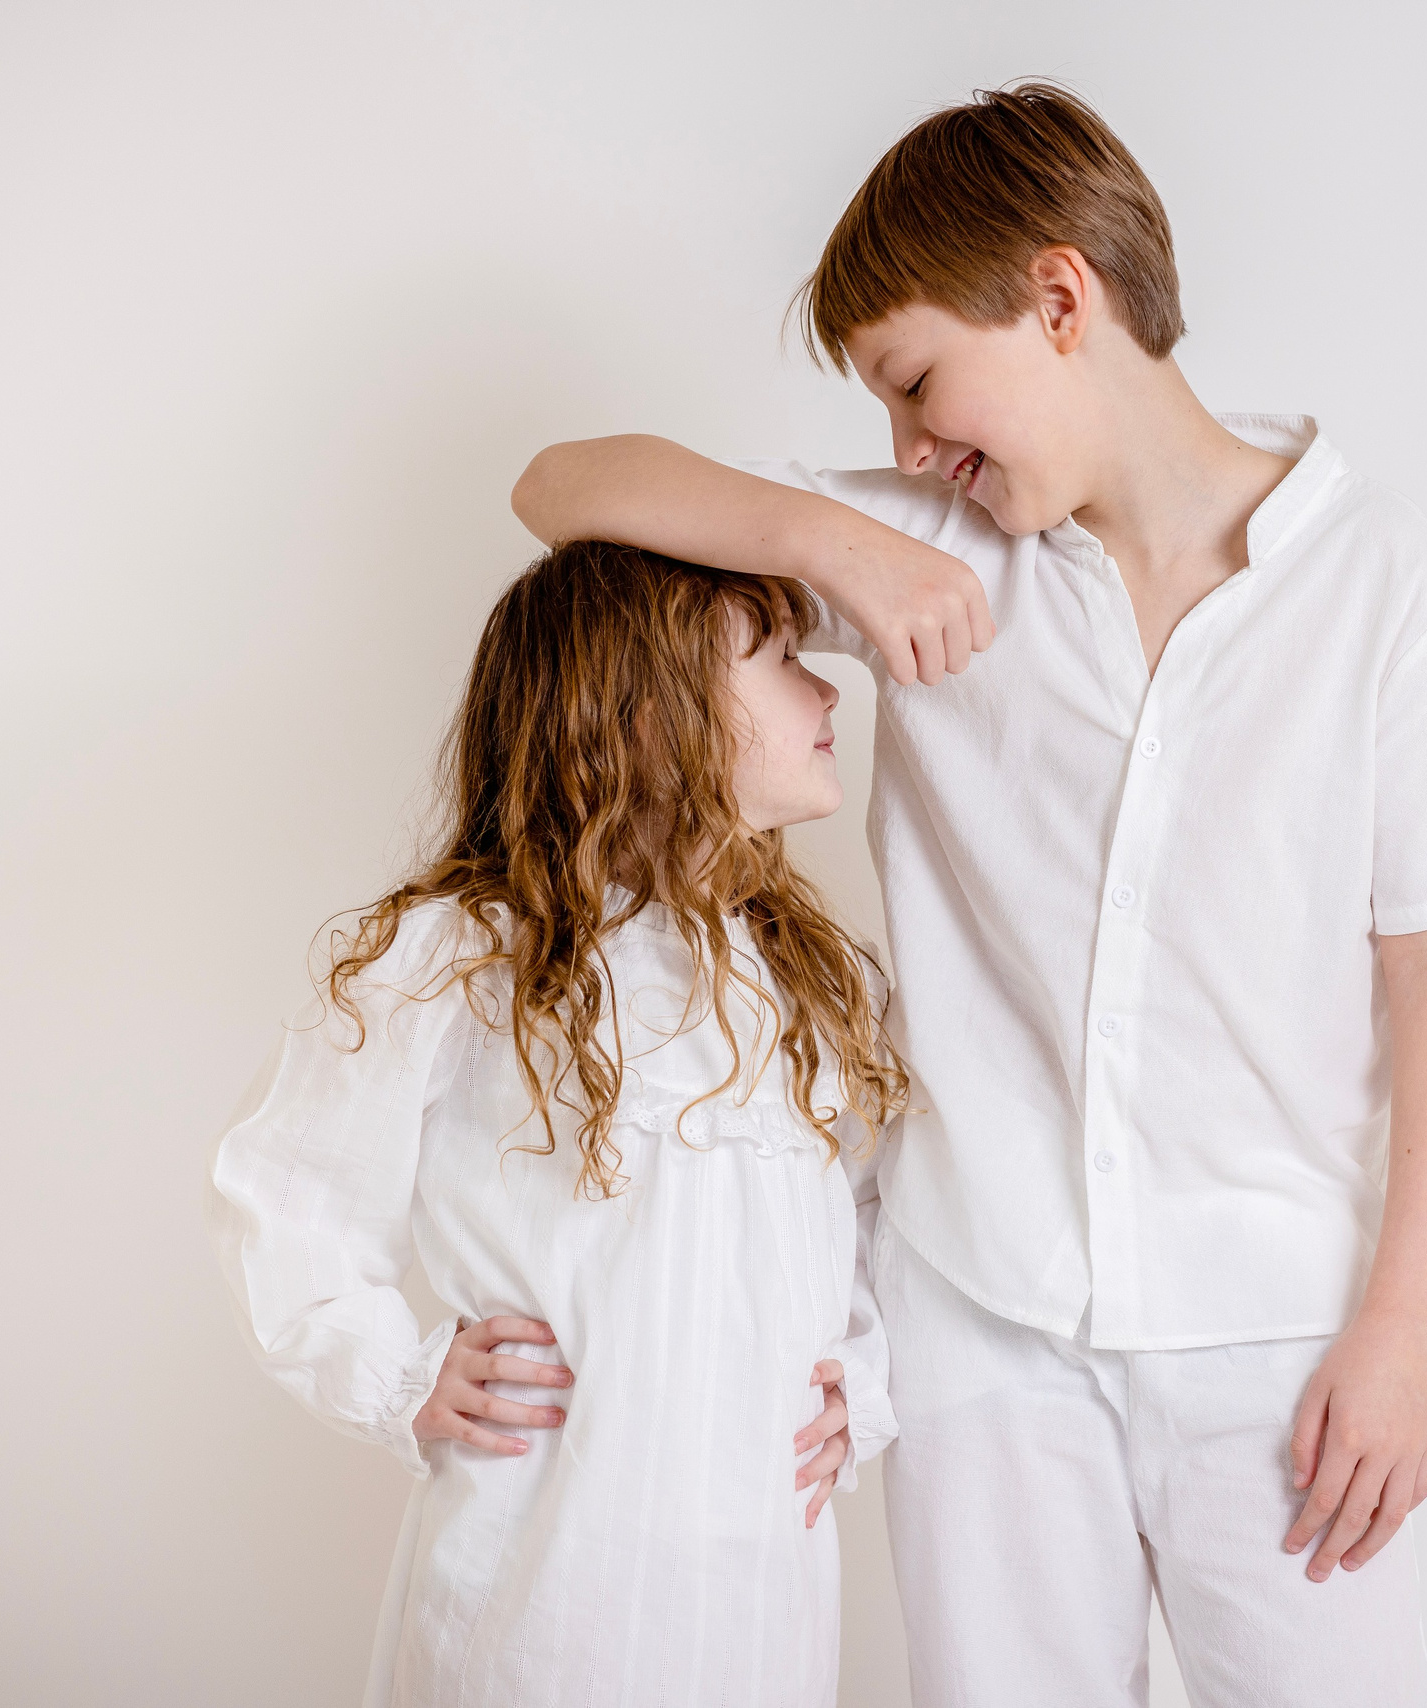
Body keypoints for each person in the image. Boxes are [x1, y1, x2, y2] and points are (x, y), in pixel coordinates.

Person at [513, 83, 1427, 1707]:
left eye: (917, 380)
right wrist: (832, 544)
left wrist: (1408, 1327)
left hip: (1281, 1335)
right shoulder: (931, 545)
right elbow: (558, 485)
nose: (909, 447)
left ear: (1060, 298)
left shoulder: (1387, 587)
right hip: (980, 1323)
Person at [210, 540, 906, 1708]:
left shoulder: (805, 977)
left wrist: (861, 1377)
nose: (828, 689)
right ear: (649, 716)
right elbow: (285, 1193)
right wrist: (392, 1375)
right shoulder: (467, 956)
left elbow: (879, 1205)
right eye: (782, 660)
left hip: (759, 1585)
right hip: (544, 1587)